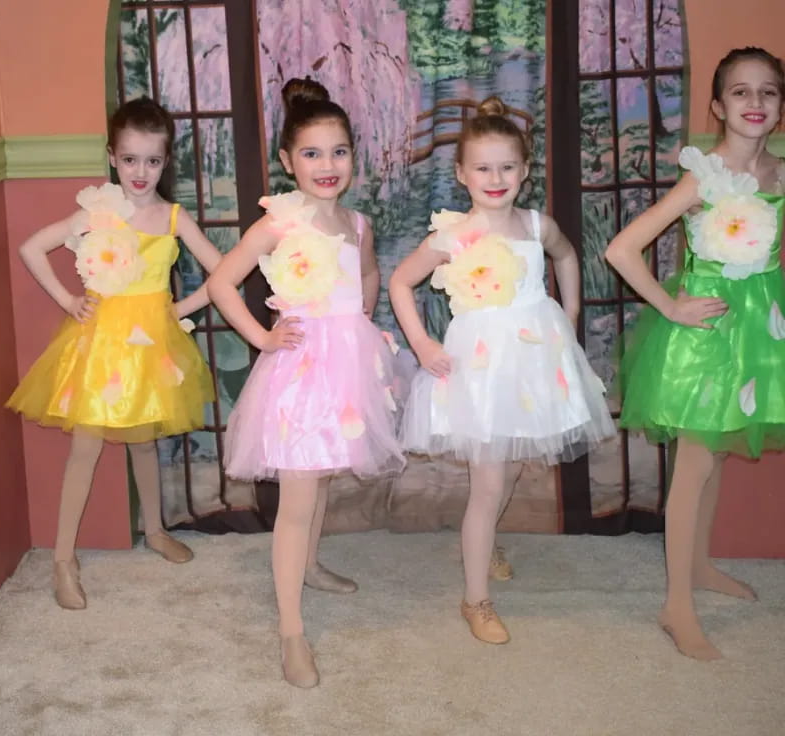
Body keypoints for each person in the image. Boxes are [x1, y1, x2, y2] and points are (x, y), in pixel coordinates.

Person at [390, 96, 614, 645]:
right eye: (483, 168)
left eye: (507, 167)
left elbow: (566, 255)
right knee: (488, 485)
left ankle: (487, 544)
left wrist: (572, 308)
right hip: (482, 369)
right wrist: (420, 343)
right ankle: (475, 600)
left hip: (536, 362)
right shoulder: (454, 236)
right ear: (462, 173)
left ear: (525, 170)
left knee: (512, 467)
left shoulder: (538, 225)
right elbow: (400, 282)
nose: (496, 178)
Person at [206, 78, 405, 687]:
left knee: (321, 480)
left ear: (353, 156)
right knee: (297, 496)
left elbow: (368, 273)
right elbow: (221, 284)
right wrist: (262, 337)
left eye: (339, 151)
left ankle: (312, 565)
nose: (327, 165)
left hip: (345, 365)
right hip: (297, 371)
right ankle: (291, 631)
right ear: (288, 161)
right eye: (312, 153)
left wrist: (362, 327)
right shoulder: (279, 224)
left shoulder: (358, 222)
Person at [6, 97, 221, 610]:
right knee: (86, 446)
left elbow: (224, 270)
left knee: (144, 441)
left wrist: (179, 308)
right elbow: (32, 247)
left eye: (151, 160)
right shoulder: (97, 214)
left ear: (165, 161)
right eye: (129, 159)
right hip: (101, 345)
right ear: (112, 157)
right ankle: (63, 558)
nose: (140, 171)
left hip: (151, 345)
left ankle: (155, 530)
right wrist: (67, 300)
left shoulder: (172, 216)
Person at [606, 47, 785, 660]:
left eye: (768, 92)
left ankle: (700, 566)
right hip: (704, 335)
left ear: (781, 106)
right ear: (717, 105)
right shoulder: (703, 174)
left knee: (721, 450)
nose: (755, 103)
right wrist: (671, 305)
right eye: (740, 92)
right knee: (697, 460)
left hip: (758, 329)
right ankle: (675, 605)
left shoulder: (780, 173)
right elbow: (623, 249)